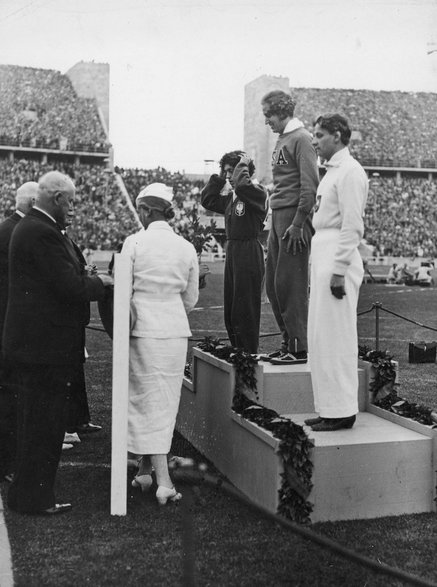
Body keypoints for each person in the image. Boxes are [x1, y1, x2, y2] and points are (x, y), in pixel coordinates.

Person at [3, 171, 113, 515]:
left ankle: (28, 496)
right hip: (43, 349)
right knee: (43, 427)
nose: (75, 209)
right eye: (72, 202)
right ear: (56, 199)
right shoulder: (41, 232)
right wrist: (101, 283)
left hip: (38, 346)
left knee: (38, 425)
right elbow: (69, 286)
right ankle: (35, 500)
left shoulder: (40, 229)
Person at [122, 182, 199, 505]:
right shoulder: (186, 247)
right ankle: (143, 470)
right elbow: (190, 299)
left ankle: (163, 481)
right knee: (163, 402)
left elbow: (122, 295)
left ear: (145, 211)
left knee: (144, 401)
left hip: (144, 332)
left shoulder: (134, 242)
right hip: (174, 332)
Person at [305, 114, 368, 432]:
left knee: (337, 337)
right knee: (320, 338)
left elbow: (352, 225)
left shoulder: (351, 172)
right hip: (324, 254)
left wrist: (340, 270)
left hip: (337, 260)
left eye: (319, 135)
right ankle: (329, 408)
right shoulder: (330, 172)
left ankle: (343, 410)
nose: (314, 140)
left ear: (338, 135)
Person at [260, 90, 319, 364]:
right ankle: (288, 341)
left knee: (291, 285)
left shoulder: (302, 139)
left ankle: (298, 348)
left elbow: (310, 186)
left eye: (268, 115)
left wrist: (298, 223)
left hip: (294, 219)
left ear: (281, 111)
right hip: (279, 215)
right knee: (273, 284)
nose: (266, 121)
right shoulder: (284, 138)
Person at [201, 151, 267, 353]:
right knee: (231, 309)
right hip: (233, 252)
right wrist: (220, 176)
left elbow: (243, 185)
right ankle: (238, 350)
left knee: (245, 308)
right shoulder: (232, 197)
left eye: (233, 170)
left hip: (248, 251)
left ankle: (248, 353)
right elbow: (208, 200)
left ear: (245, 171)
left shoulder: (256, 192)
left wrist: (242, 167)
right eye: (226, 171)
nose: (229, 175)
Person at [0, 182, 37, 482]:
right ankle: (10, 464)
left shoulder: (4, 228)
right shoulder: (23, 233)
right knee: (14, 397)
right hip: (17, 326)